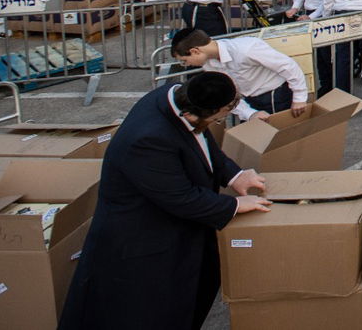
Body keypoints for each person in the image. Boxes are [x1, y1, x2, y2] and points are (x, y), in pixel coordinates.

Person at [57, 72, 271, 330]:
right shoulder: (147, 140)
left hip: (173, 230)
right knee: (147, 313)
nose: (220, 120)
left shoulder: (176, 96)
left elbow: (203, 141)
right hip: (141, 242)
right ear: (192, 115)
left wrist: (234, 175)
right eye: (219, 117)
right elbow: (181, 197)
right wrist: (235, 205)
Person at [171, 25, 308, 120]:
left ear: (195, 51)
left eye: (185, 60)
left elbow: (288, 66)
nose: (187, 65)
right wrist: (249, 113)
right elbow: (227, 94)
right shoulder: (209, 64)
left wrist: (299, 98)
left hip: (275, 96)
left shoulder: (247, 48)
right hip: (246, 101)